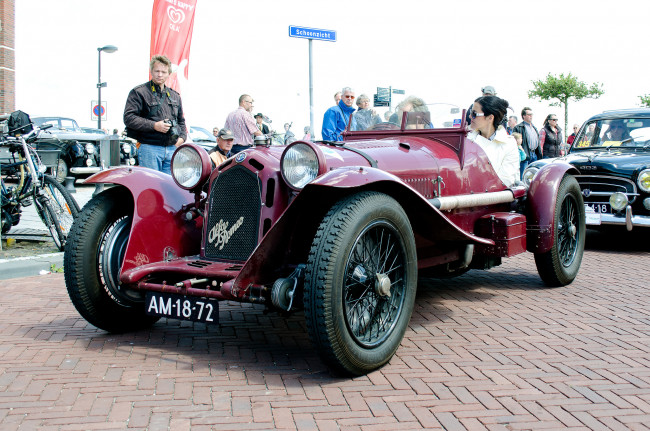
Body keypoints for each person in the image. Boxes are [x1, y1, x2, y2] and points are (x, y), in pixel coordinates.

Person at [123, 54, 187, 174]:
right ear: (151, 71)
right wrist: (154, 125)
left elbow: (181, 122)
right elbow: (129, 118)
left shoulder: (175, 96)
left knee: (170, 187)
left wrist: (182, 138)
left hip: (172, 148)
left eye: (163, 71)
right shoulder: (139, 92)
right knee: (151, 187)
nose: (160, 74)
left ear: (169, 73)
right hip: (149, 147)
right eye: (157, 71)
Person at [467, 96, 520, 187]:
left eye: (474, 113)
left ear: (490, 118)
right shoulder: (466, 138)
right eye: (470, 112)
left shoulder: (509, 144)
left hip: (493, 197)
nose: (470, 116)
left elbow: (505, 180)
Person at [512, 107, 542, 179]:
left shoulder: (534, 128)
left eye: (531, 114)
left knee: (534, 176)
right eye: (529, 114)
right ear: (523, 116)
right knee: (523, 175)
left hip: (534, 154)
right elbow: (514, 142)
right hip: (524, 155)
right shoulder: (518, 127)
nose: (531, 116)